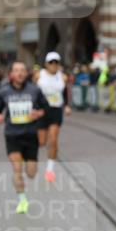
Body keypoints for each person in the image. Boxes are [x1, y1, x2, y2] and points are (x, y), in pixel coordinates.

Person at [0, 61, 48, 214]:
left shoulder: (35, 90)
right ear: (11, 74)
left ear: (26, 73)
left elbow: (45, 108)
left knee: (31, 173)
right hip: (13, 135)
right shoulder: (4, 91)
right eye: (16, 70)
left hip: (30, 136)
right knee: (17, 169)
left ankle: (26, 162)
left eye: (23, 70)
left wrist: (38, 113)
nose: (20, 73)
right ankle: (22, 200)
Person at [34, 51, 71, 182]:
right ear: (46, 64)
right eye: (51, 62)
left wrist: (66, 105)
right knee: (41, 141)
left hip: (56, 110)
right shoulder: (39, 75)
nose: (53, 65)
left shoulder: (63, 77)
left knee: (53, 139)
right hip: (42, 111)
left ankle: (50, 169)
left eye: (56, 62)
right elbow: (32, 90)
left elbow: (65, 92)